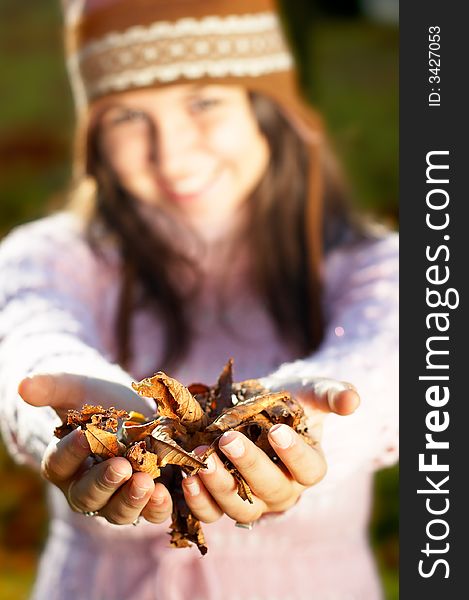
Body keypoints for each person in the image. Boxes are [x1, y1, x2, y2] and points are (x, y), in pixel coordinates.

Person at [0, 1, 398, 599]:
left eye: (205, 101)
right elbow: (30, 331)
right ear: (96, 137)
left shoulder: (377, 265)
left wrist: (309, 424)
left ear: (269, 110)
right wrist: (73, 413)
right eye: (129, 115)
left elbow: (391, 359)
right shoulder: (53, 255)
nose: (172, 151)